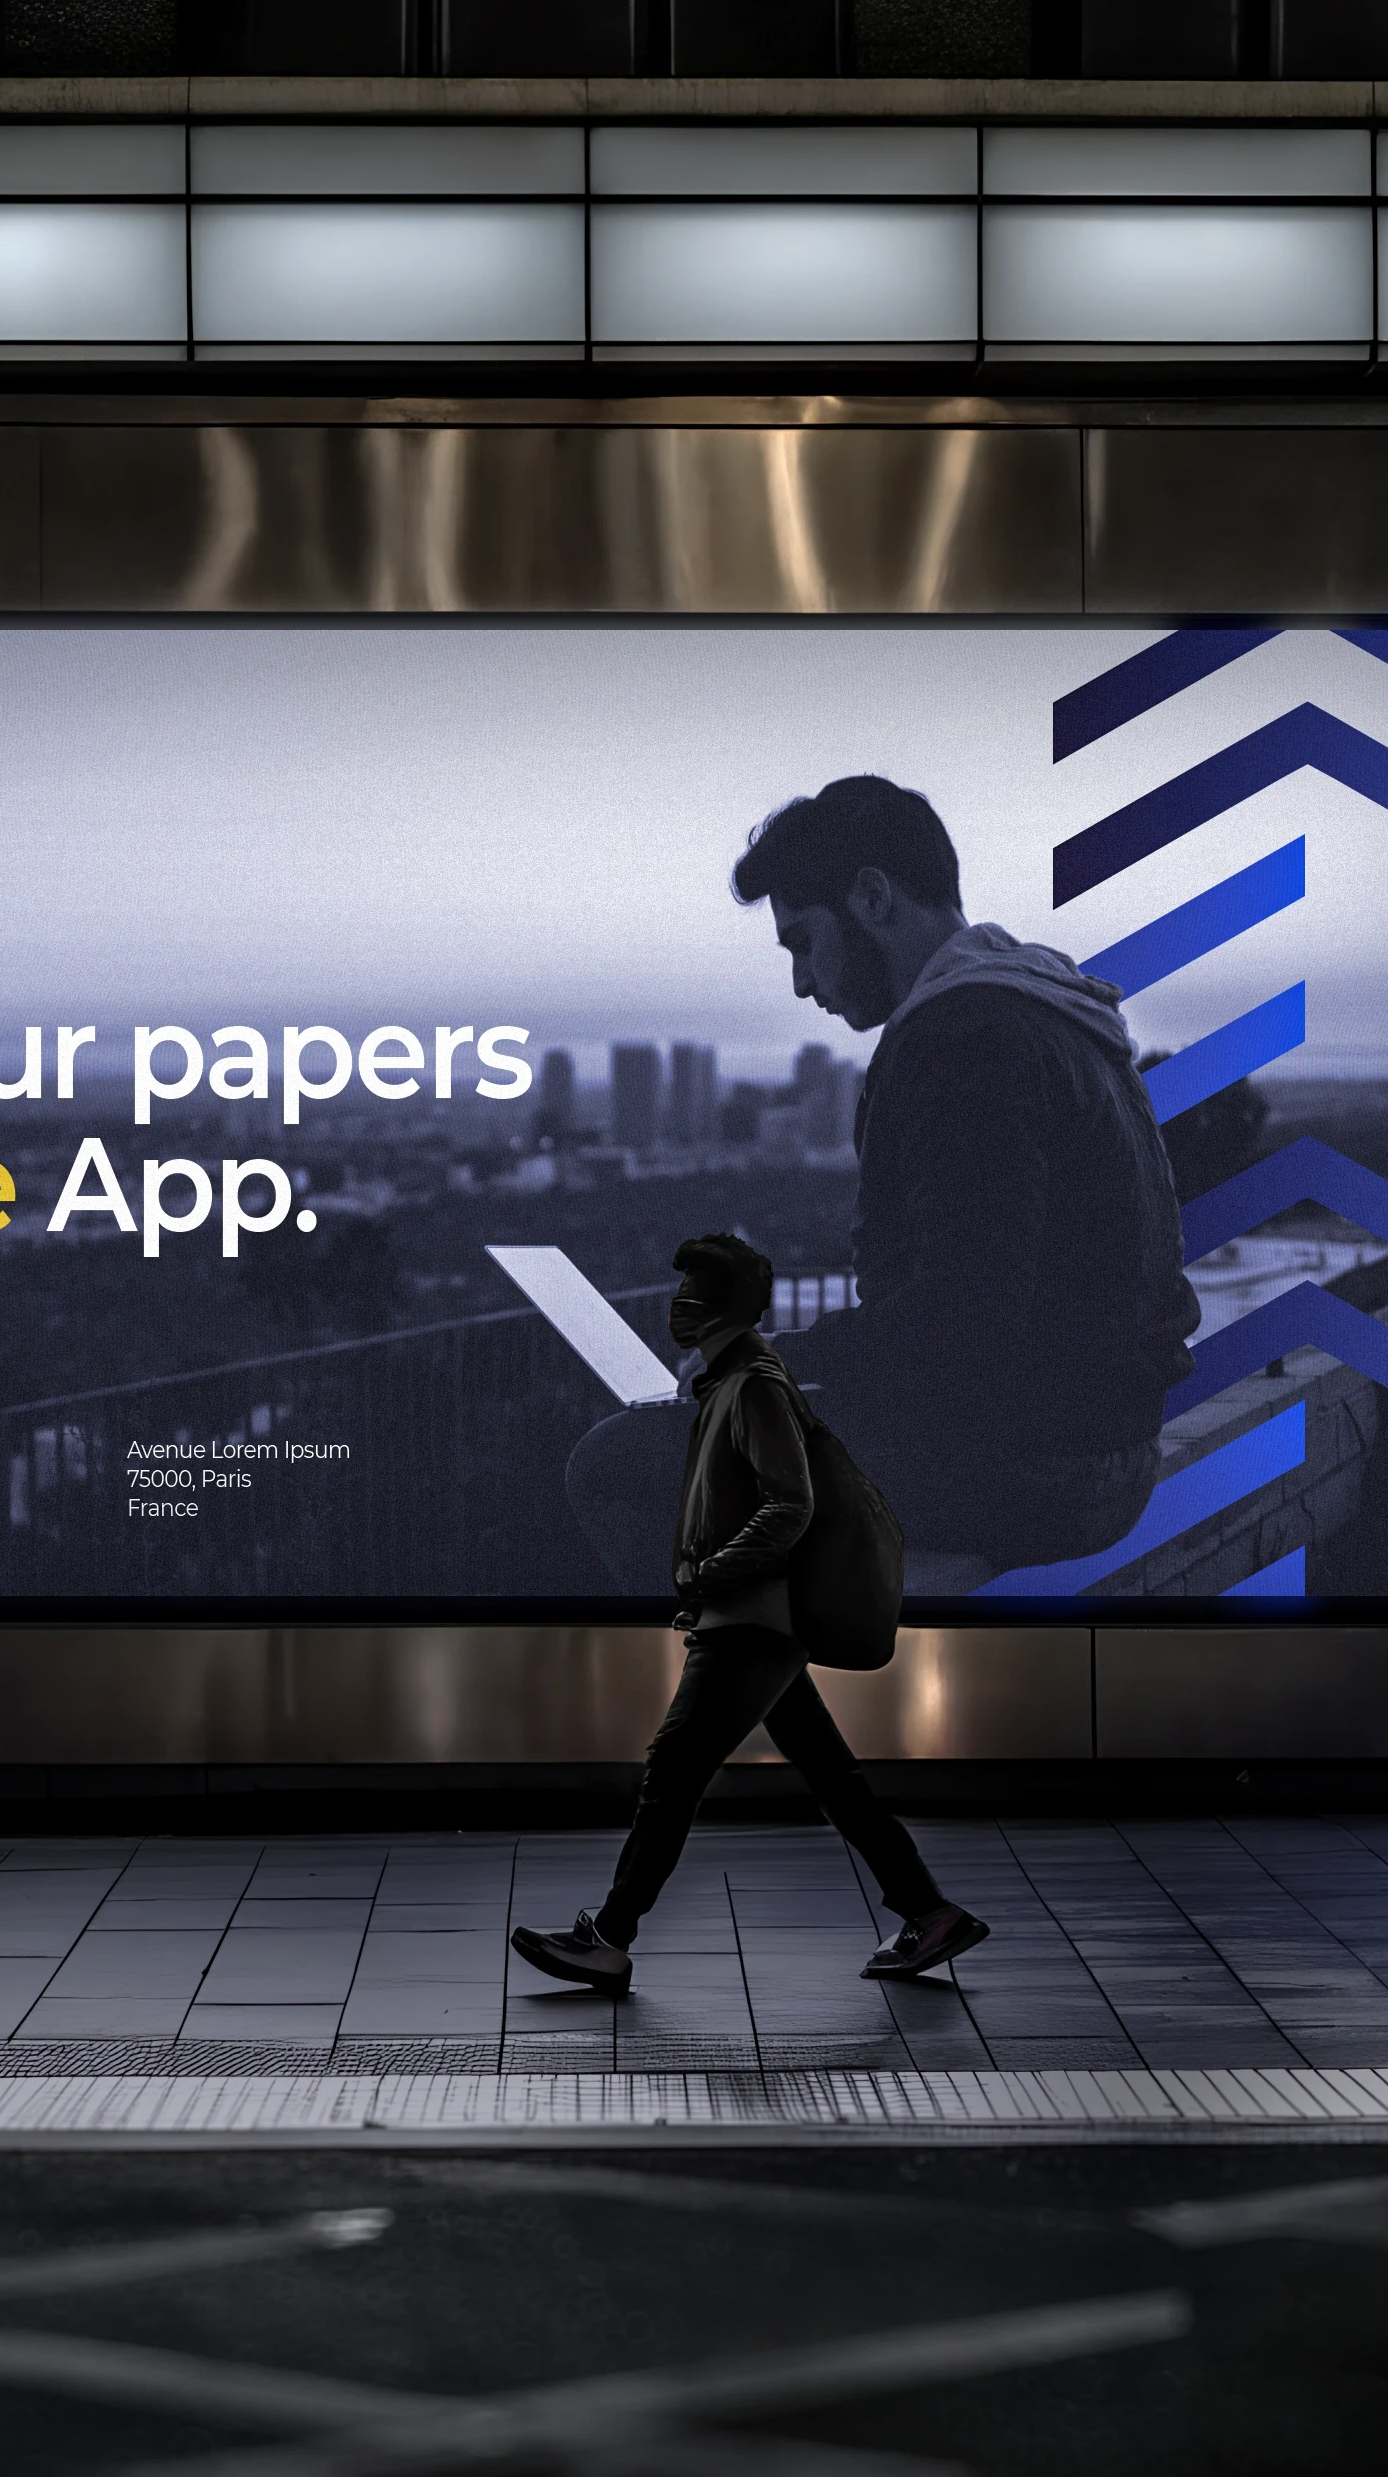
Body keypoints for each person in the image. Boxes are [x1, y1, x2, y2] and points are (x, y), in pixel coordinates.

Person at [567, 775, 1199, 1592]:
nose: (802, 982)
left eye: (803, 942)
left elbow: (962, 1323)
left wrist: (769, 1362)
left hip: (1041, 1468)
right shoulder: (1051, 1009)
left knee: (615, 1465)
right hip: (1107, 1444)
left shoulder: (963, 1037)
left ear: (871, 897)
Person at [511, 1233, 988, 1994]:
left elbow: (790, 1504)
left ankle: (608, 1938)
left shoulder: (753, 1387)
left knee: (675, 1769)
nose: (677, 1307)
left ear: (729, 1307)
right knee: (831, 1775)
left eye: (693, 1296)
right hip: (756, 1614)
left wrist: (711, 1574)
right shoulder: (731, 1382)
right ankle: (930, 1912)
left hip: (754, 1616)